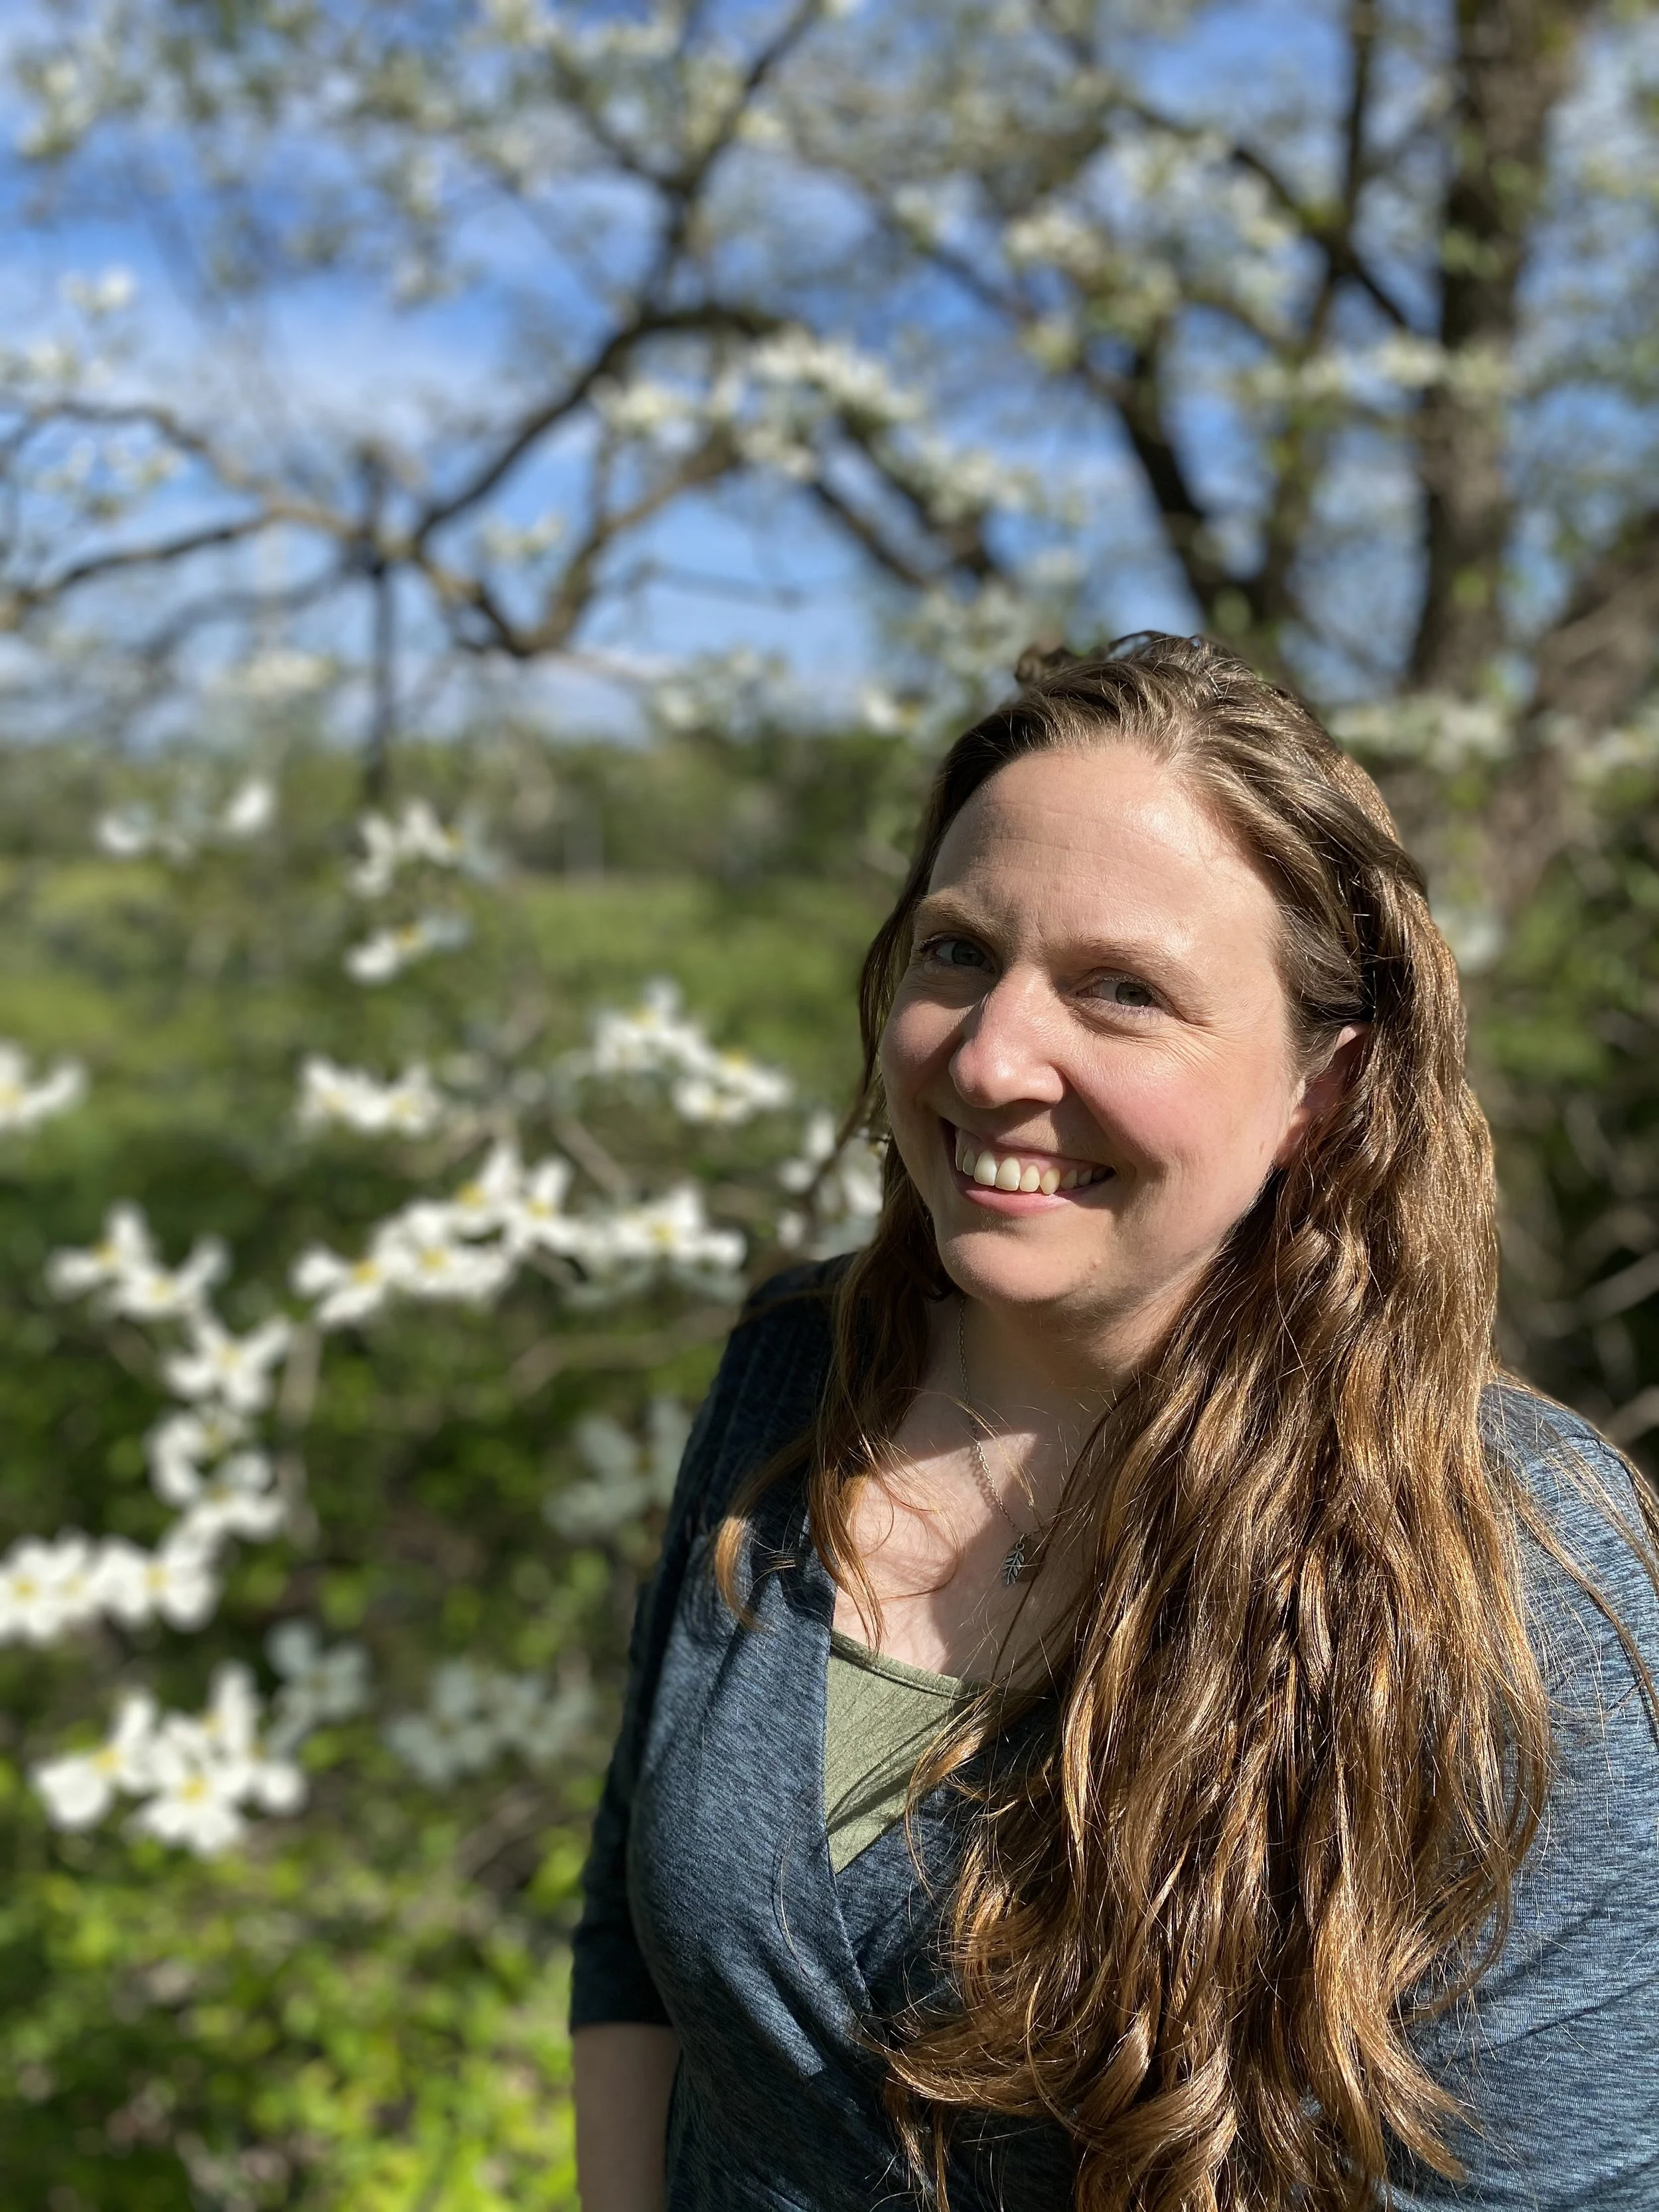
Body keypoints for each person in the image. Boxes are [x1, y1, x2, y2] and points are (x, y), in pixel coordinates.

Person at [568, 634, 1659, 2212]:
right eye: (956, 953)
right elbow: (636, 1928)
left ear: (1323, 1088)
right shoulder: (792, 1371)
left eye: (1121, 991)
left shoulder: (1527, 1587)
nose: (993, 1055)